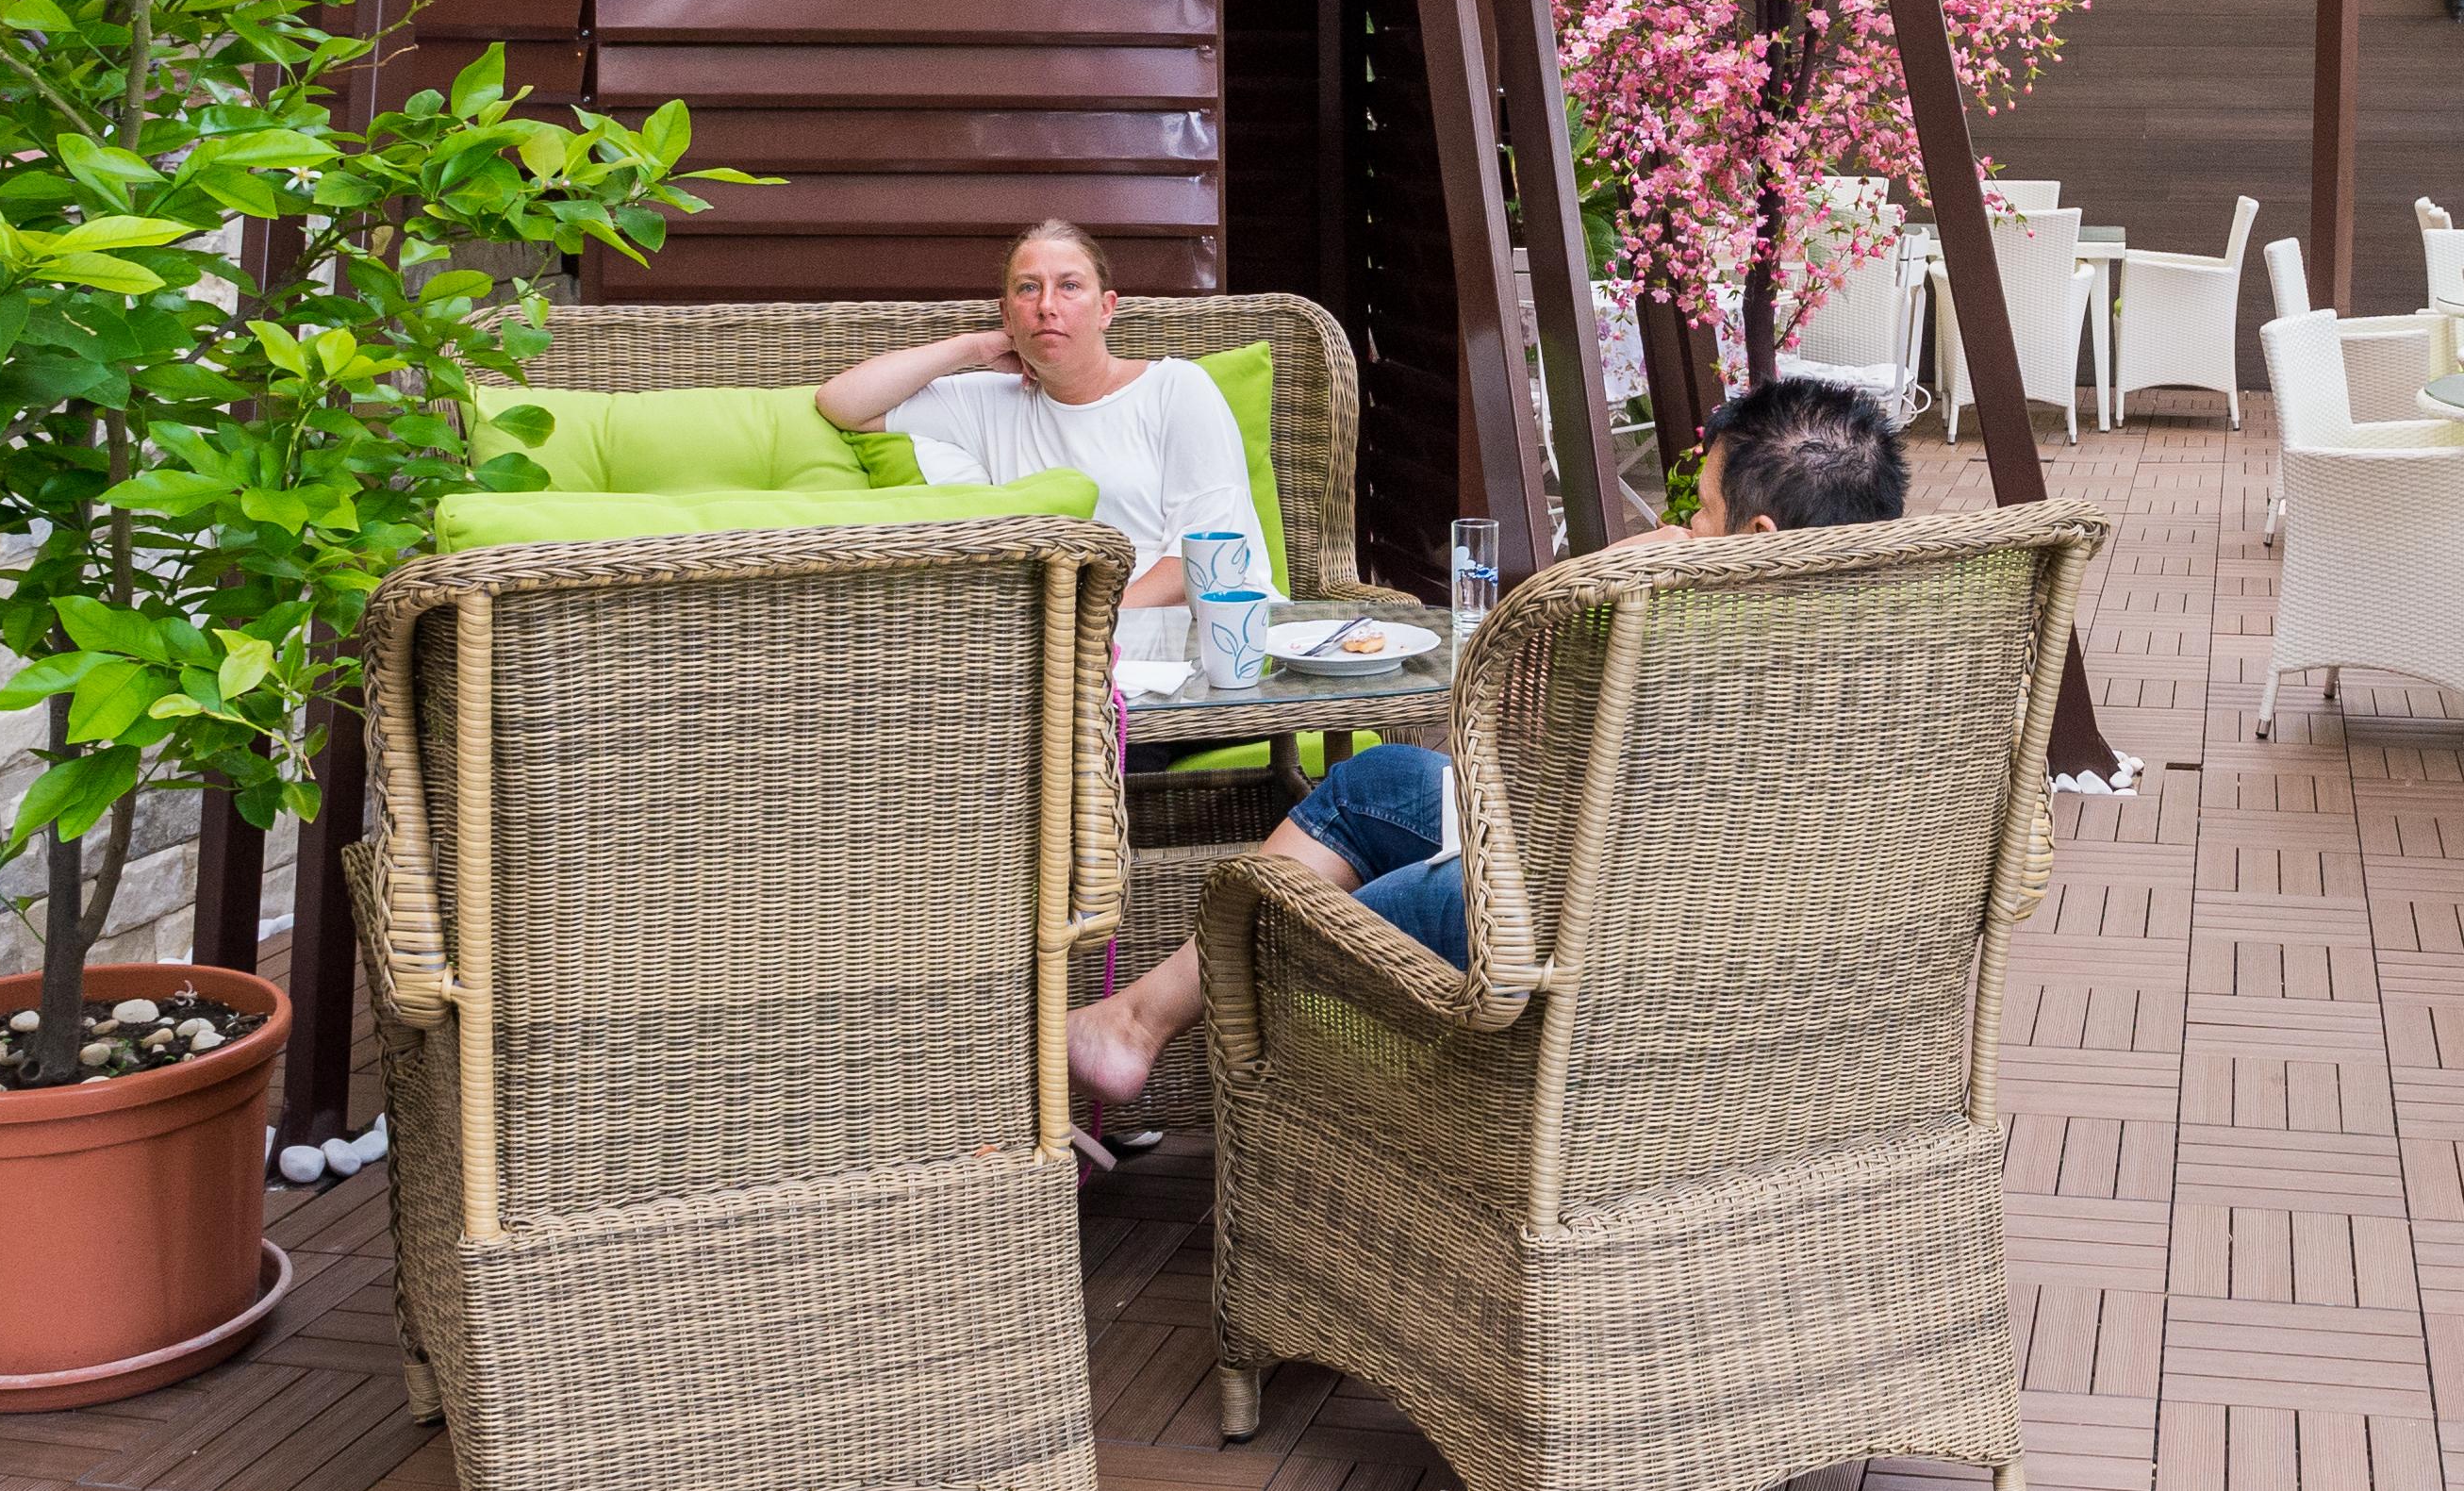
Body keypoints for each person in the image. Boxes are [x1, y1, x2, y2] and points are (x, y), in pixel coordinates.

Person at [1058, 373, 1912, 1110]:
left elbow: (1520, 767)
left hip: (1596, 930)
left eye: (1704, 513)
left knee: (1277, 923)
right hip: (1770, 927)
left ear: (1758, 542)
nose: (1687, 530)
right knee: (1380, 779)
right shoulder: (1920, 639)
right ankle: (1133, 1024)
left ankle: (1166, 1038)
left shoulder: (1694, 647)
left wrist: (1601, 586)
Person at [815, 220, 1259, 613]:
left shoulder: (1175, 388)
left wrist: (1090, 624)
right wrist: (970, 348)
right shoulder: (993, 402)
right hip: (1062, 649)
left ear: (1106, 308)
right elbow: (843, 404)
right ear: (1007, 314)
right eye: (1028, 288)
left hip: (1190, 628)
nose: (1047, 304)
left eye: (1069, 286)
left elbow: (1210, 552)